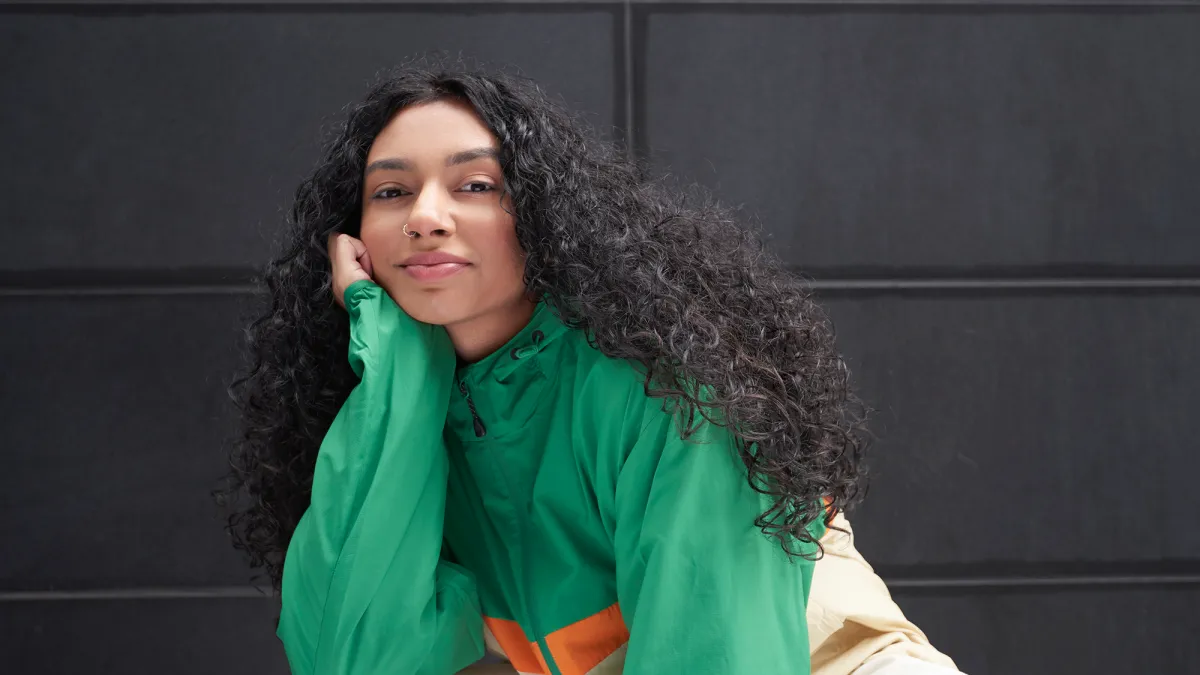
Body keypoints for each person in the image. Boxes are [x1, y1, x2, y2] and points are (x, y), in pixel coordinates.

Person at [223, 62, 962, 675]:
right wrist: (398, 369)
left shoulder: (672, 386)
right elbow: (354, 657)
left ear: (542, 213)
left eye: (474, 184)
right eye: (391, 192)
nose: (424, 214)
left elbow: (714, 654)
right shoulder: (420, 406)